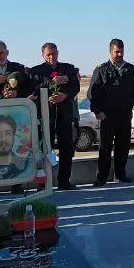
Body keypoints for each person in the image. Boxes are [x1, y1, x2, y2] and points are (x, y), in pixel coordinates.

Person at [87, 39, 134, 185]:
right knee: (105, 149)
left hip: (125, 115)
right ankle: (101, 178)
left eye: (121, 51)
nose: (119, 54)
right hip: (107, 116)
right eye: (116, 51)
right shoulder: (101, 69)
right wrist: (97, 110)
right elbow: (92, 93)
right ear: (110, 51)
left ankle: (120, 175)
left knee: (123, 148)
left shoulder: (130, 69)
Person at [30, 42, 82, 190]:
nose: (51, 57)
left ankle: (64, 181)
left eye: (54, 53)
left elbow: (75, 86)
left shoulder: (68, 68)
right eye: (48, 55)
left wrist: (65, 95)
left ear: (58, 52)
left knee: (67, 148)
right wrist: (51, 83)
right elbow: (34, 90)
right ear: (43, 55)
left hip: (64, 115)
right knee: (45, 149)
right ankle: (43, 183)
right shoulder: (36, 71)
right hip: (46, 117)